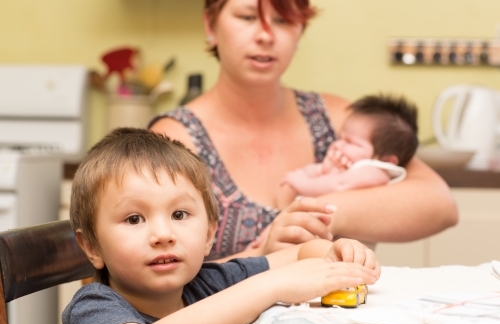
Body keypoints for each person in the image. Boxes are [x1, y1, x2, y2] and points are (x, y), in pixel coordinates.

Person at [148, 0, 458, 261]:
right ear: (210, 25)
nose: (265, 35)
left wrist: (320, 214)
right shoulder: (175, 138)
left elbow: (439, 204)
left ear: (300, 31)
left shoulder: (340, 119)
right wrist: (260, 258)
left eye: (282, 20)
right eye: (246, 17)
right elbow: (152, 279)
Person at [62, 127, 380, 324]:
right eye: (134, 219)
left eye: (179, 214)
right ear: (91, 246)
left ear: (210, 234)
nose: (163, 234)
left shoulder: (208, 283)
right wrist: (271, 287)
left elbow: (297, 254)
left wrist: (337, 253)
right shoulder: (93, 307)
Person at [280, 94, 418, 200]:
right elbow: (322, 176)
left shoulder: (375, 172)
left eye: (350, 142)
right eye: (340, 138)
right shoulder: (349, 167)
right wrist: (322, 169)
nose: (338, 144)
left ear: (386, 160)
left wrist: (302, 183)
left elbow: (340, 185)